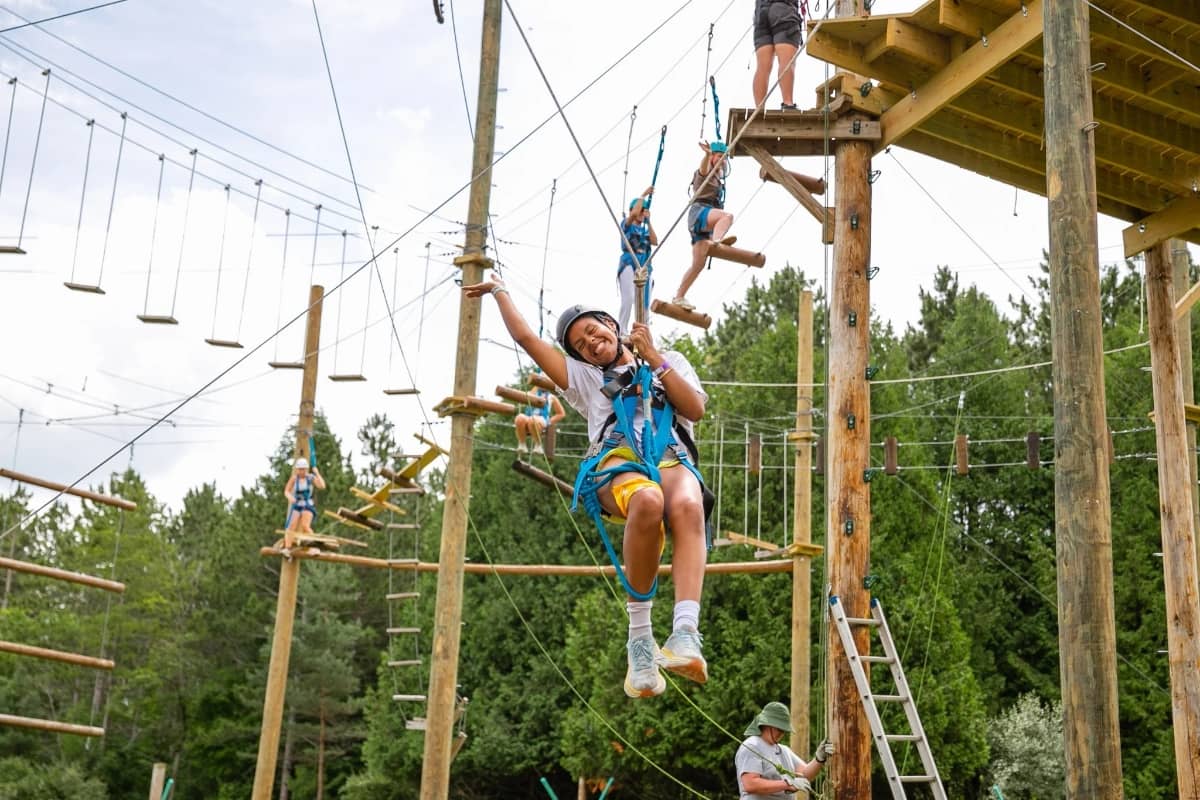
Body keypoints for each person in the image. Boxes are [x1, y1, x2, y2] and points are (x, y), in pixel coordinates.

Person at [464, 275, 712, 699]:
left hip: (670, 455)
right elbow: (526, 338)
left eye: (593, 330)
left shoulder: (667, 358)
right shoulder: (582, 380)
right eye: (580, 343)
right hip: (618, 462)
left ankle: (685, 632)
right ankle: (640, 638)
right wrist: (500, 290)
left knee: (689, 507)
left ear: (611, 325)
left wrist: (653, 358)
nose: (591, 342)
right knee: (648, 500)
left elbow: (695, 409)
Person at [673, 140, 736, 311]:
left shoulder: (717, 178)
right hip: (700, 212)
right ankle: (716, 241)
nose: (723, 161)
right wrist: (708, 155)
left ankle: (679, 296)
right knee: (727, 217)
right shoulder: (705, 171)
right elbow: (704, 168)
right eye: (720, 157)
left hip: (704, 221)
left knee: (698, 265)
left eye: (724, 158)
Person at [736, 701, 834, 798]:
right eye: (779, 729)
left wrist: (819, 759)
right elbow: (750, 784)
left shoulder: (784, 751)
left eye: (784, 730)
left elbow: (804, 775)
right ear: (767, 724)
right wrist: (787, 784)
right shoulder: (752, 746)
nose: (782, 733)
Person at [617, 186, 658, 332]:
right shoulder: (626, 225)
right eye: (640, 210)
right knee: (628, 298)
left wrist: (649, 221)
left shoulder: (645, 231)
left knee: (644, 302)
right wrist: (643, 195)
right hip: (630, 262)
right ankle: (622, 329)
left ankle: (643, 330)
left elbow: (655, 241)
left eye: (644, 211)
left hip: (644, 265)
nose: (641, 213)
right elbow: (634, 213)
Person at [752, 0, 806, 110]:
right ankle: (788, 103)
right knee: (786, 60)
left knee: (763, 66)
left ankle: (759, 109)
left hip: (761, 15)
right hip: (783, 11)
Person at [514, 387, 566, 457]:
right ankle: (522, 444)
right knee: (519, 418)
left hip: (541, 419)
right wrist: (537, 384)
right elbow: (529, 394)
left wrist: (549, 421)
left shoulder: (551, 397)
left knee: (533, 420)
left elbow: (561, 413)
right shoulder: (532, 393)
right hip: (528, 417)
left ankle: (538, 444)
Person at [284, 457, 326, 534]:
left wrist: (317, 473)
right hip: (297, 504)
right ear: (297, 469)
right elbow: (286, 491)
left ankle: (313, 539)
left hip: (307, 505)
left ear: (306, 469)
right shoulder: (294, 479)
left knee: (305, 526)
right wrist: (290, 497)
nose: (301, 471)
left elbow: (322, 486)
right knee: (291, 526)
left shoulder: (310, 478)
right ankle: (288, 545)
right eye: (300, 469)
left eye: (303, 469)